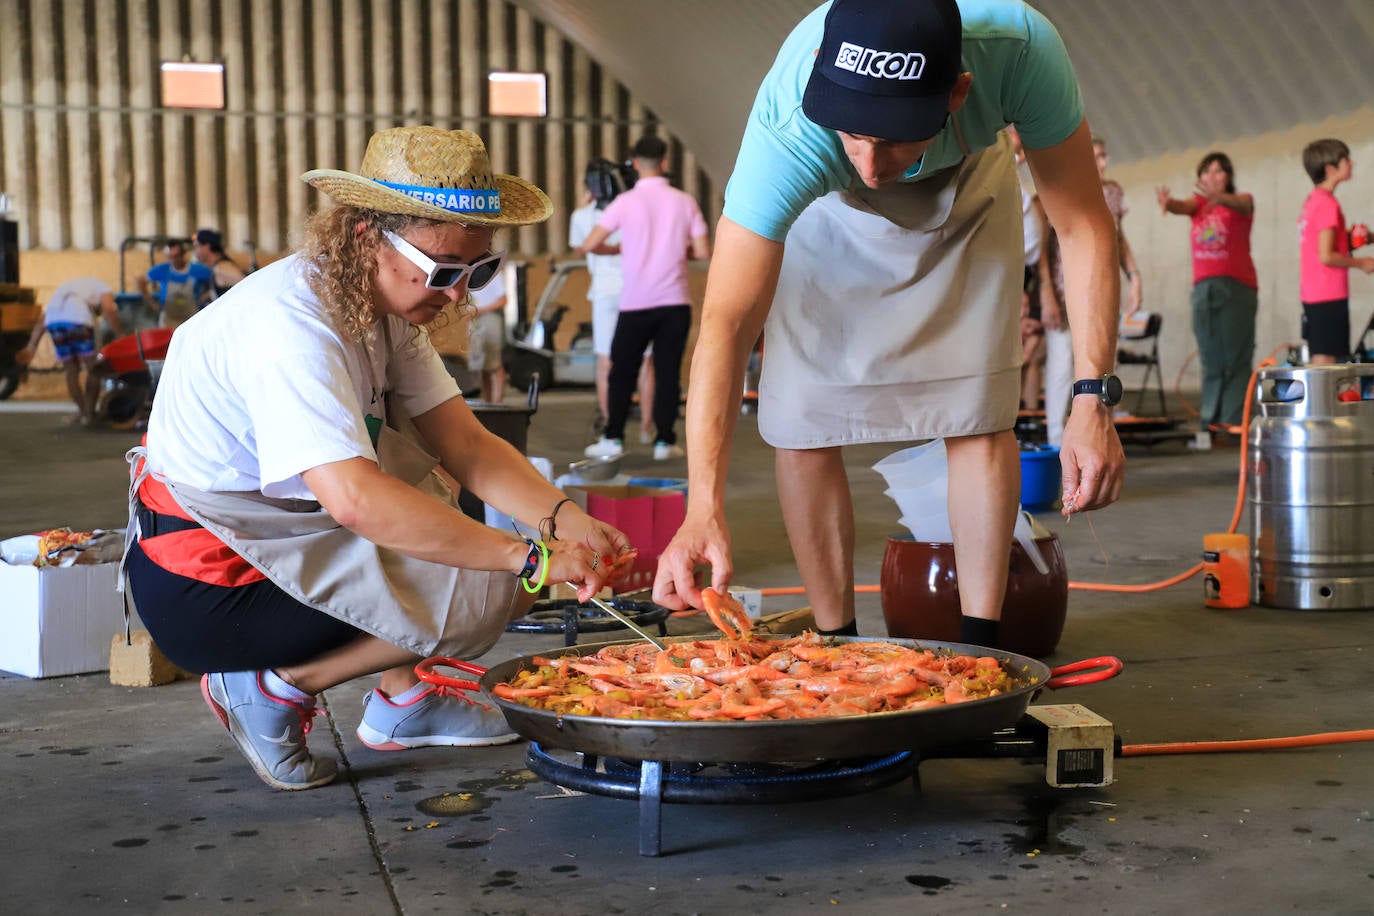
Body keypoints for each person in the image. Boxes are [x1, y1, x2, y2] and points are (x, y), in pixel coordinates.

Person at [123, 126, 630, 791]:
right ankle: (269, 688)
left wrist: (566, 520)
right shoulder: (291, 325)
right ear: (366, 235)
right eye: (444, 272)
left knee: (451, 509)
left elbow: (467, 442)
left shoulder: (382, 305)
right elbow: (354, 499)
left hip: (284, 533)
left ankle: (403, 701)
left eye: (478, 272)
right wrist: (530, 556)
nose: (457, 295)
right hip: (210, 584)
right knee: (490, 586)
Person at [653, 0, 1126, 649]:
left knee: (980, 412)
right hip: (827, 209)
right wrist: (701, 505)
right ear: (822, 75)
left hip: (964, 191)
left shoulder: (1018, 50)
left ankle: (980, 651)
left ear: (958, 91)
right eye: (856, 133)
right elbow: (727, 324)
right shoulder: (791, 128)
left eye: (897, 134)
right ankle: (835, 644)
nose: (873, 164)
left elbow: (1082, 223)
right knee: (800, 416)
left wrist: (1092, 397)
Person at [576, 135, 711, 462]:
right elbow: (704, 251)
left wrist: (619, 248)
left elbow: (590, 244)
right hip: (675, 302)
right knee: (667, 372)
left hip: (635, 303)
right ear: (664, 163)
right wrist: (678, 252)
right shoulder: (684, 201)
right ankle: (665, 441)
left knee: (621, 371)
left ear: (635, 165)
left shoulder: (625, 202)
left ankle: (613, 439)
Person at [1040, 134, 1141, 442]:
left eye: (1103, 156)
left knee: (1104, 365)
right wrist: (1045, 292)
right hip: (1063, 289)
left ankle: (1101, 433)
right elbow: (1046, 244)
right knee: (1061, 364)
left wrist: (1134, 277)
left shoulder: (1112, 193)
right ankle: (1057, 437)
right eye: (1094, 156)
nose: (1101, 162)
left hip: (1103, 289)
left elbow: (1118, 237)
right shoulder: (1061, 187)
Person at [1156, 152, 1258, 427]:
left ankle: (1233, 418)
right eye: (1206, 171)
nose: (1212, 176)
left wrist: (1220, 198)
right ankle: (1210, 418)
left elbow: (1244, 204)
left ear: (1228, 176)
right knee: (1210, 355)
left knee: (1236, 355)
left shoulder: (1241, 202)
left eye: (1218, 171)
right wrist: (1169, 203)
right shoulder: (1199, 205)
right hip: (1204, 288)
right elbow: (1183, 206)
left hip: (1237, 287)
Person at [568, 165, 655, 443]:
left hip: (605, 292)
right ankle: (646, 427)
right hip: (639, 291)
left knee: (606, 362)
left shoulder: (581, 217)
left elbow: (579, 249)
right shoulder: (635, 209)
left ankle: (609, 425)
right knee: (644, 360)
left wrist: (584, 205)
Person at [1296, 138, 1374, 365]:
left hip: (1314, 291)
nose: (1351, 164)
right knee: (1326, 358)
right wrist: (1362, 263)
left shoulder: (1313, 200)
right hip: (1328, 291)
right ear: (1330, 169)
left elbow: (1322, 244)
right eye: (1345, 160)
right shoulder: (1328, 204)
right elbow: (1326, 255)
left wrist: (1357, 239)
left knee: (1325, 351)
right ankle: (1322, 401)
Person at [18, 277, 122, 424]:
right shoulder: (104, 288)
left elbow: (44, 319)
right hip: (78, 322)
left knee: (71, 370)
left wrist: (32, 345)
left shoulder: (68, 288)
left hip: (54, 324)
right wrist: (120, 334)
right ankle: (90, 414)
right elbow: (109, 309)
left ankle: (83, 412)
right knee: (94, 368)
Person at [1007, 125, 1047, 411]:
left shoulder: (1020, 184)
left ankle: (1029, 416)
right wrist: (1018, 292)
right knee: (1021, 351)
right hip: (1013, 277)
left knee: (1031, 350)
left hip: (1026, 277)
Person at [138, 238, 213, 327]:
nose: (174, 260)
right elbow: (141, 281)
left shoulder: (198, 270)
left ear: (183, 255)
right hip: (168, 319)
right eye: (170, 257)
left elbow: (216, 281)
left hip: (191, 318)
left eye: (176, 256)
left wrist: (207, 295)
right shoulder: (162, 270)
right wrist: (152, 303)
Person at [466, 267, 508, 402]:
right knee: (482, 363)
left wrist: (480, 310)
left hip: (489, 317)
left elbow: (503, 300)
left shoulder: (493, 274)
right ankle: (488, 401)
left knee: (494, 362)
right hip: (475, 319)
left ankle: (497, 402)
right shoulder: (469, 274)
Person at [193, 228, 247, 298]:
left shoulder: (222, 268)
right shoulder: (217, 268)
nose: (195, 251)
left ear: (207, 247)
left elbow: (248, 286)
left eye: (196, 246)